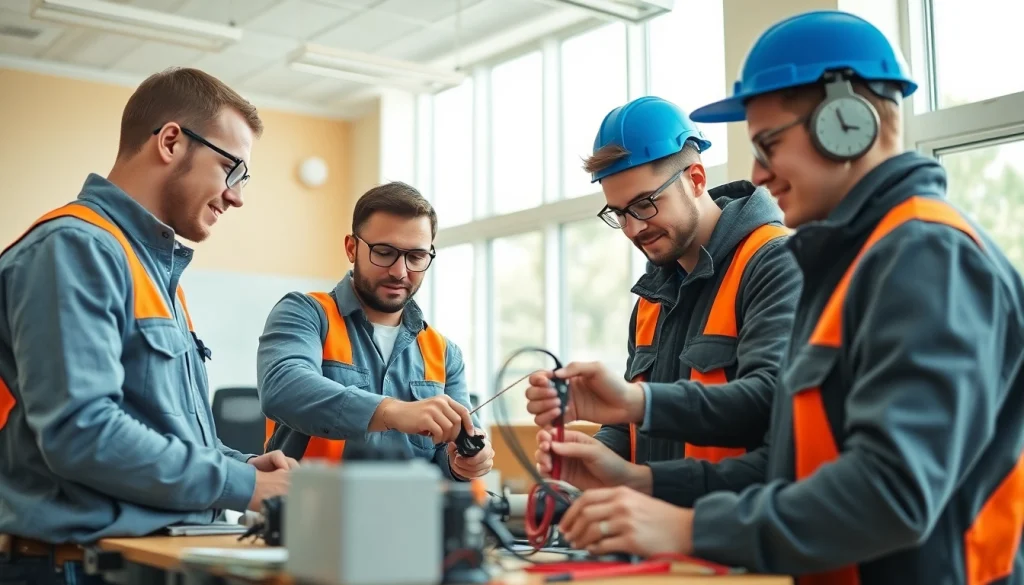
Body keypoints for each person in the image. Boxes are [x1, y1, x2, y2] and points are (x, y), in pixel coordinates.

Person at [530, 10, 1024, 584]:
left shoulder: (927, 258)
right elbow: (785, 469)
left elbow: (892, 493)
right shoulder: (848, 268)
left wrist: (686, 529)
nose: (758, 173)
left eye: (769, 144)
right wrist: (642, 485)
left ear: (849, 123)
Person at [0, 67, 294, 582]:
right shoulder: (75, 249)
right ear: (172, 141)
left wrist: (239, 466)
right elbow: (82, 432)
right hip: (76, 569)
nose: (237, 196)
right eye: (232, 169)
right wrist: (238, 485)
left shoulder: (156, 274)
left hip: (146, 564)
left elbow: (159, 426)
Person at [528, 95, 800, 492]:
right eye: (618, 213)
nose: (633, 229)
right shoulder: (652, 296)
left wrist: (635, 404)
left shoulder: (773, 262)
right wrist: (591, 462)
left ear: (695, 179)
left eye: (644, 204)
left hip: (733, 537)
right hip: (655, 537)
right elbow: (631, 428)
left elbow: (769, 406)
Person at [258, 181, 494, 481]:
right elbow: (282, 388)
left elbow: (447, 458)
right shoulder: (306, 314)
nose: (400, 271)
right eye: (384, 252)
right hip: (310, 518)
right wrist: (392, 411)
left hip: (408, 520)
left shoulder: (445, 354)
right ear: (351, 247)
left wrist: (462, 465)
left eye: (416, 257)